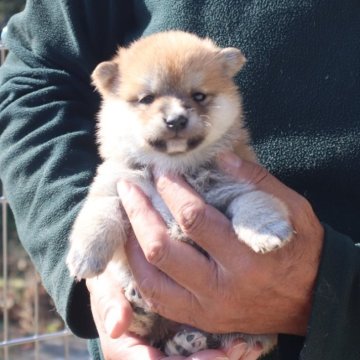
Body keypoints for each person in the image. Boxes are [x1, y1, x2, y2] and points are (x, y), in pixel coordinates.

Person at [0, 1, 359, 359]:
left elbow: (245, 195)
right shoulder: (123, 164)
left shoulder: (230, 160)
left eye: (199, 97)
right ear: (110, 89)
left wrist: (337, 293)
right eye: (146, 98)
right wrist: (93, 282)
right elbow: (37, 73)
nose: (175, 114)